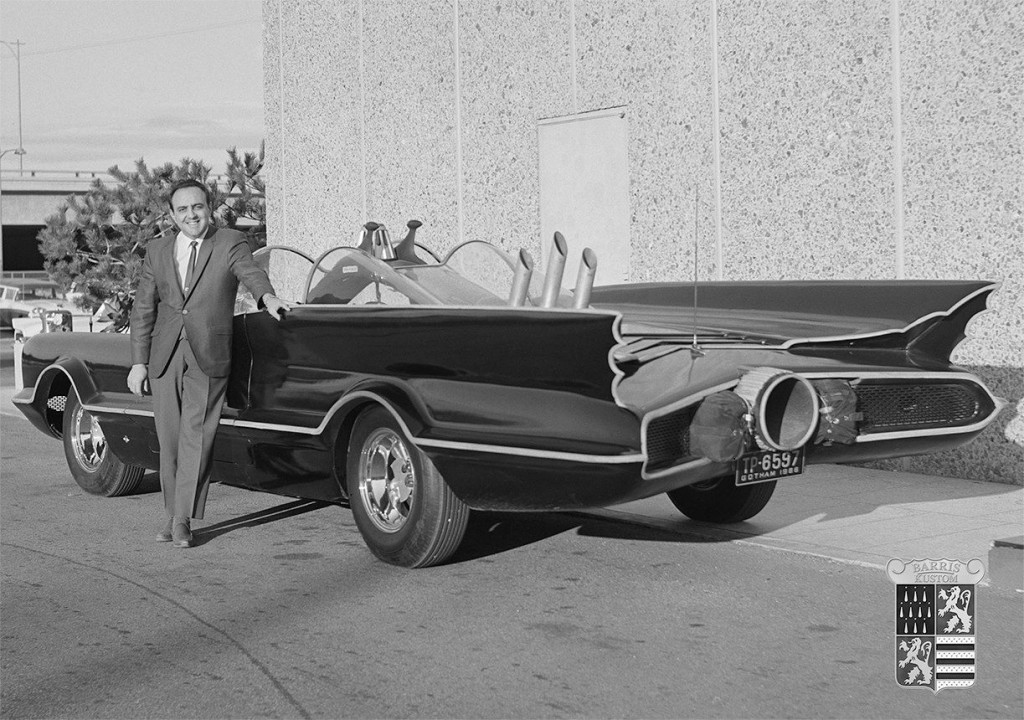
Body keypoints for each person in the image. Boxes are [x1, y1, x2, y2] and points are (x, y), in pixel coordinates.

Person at [127, 179, 289, 548]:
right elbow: (143, 309)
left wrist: (268, 298)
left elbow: (251, 274)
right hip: (164, 355)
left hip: (208, 353)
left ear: (209, 207)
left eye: (197, 207)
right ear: (172, 215)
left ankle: (182, 518)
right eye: (182, 210)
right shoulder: (157, 250)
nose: (191, 215)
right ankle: (173, 512)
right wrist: (138, 363)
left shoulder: (230, 242)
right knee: (168, 439)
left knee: (196, 436)